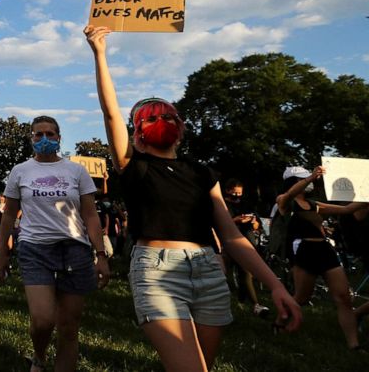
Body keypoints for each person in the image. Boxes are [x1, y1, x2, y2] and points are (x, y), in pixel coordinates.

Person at [84, 25, 302, 372]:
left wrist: (275, 286)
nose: (161, 120)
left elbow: (231, 236)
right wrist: (100, 53)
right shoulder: (134, 167)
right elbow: (111, 114)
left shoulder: (203, 173)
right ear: (136, 134)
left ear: (181, 128)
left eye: (167, 115)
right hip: (157, 270)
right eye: (150, 117)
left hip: (207, 270)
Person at [0, 115, 111, 372]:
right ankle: (39, 355)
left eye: (50, 134)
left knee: (69, 327)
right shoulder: (20, 171)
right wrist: (2, 250)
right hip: (34, 249)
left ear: (59, 138)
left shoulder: (76, 171)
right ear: (31, 139)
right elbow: (9, 213)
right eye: (39, 134)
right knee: (43, 320)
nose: (44, 139)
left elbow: (91, 214)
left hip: (75, 250)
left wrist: (101, 254)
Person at [276, 166, 368, 349]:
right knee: (302, 297)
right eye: (303, 179)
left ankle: (354, 345)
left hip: (324, 249)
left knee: (343, 297)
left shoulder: (314, 204)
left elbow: (347, 209)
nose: (310, 183)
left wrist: (365, 197)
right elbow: (289, 194)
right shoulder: (284, 201)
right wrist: (311, 177)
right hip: (304, 250)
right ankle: (279, 323)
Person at [221, 181, 269, 317]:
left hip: (248, 241)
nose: (237, 195)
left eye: (240, 193)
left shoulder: (245, 204)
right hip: (230, 241)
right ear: (228, 190)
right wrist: (236, 220)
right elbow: (222, 222)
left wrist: (253, 222)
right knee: (242, 271)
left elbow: (256, 226)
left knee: (246, 271)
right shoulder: (223, 205)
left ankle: (244, 300)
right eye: (235, 192)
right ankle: (254, 304)